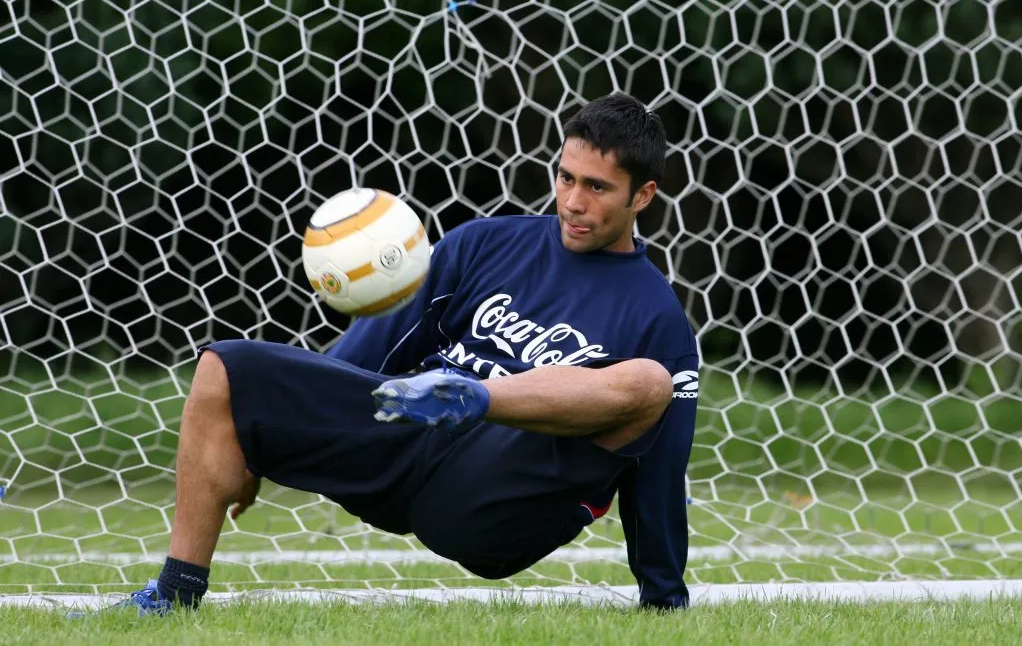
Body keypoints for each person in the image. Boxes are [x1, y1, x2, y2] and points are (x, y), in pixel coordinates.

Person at [106, 92, 699, 615]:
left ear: (643, 195)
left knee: (651, 381)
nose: (572, 201)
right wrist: (262, 442)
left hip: (494, 501)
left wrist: (663, 597)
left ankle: (475, 399)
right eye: (566, 177)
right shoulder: (484, 243)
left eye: (597, 187)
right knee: (226, 367)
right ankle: (173, 596)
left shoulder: (657, 317)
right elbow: (364, 358)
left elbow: (659, 472)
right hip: (407, 440)